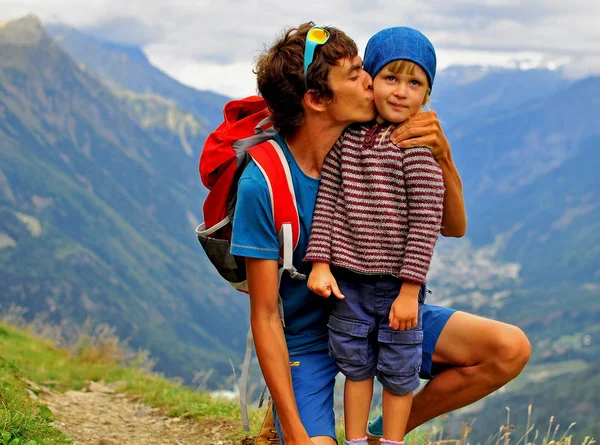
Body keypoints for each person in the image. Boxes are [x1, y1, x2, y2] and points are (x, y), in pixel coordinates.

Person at [229, 22, 530, 445]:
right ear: (316, 99)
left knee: (509, 348)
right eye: (356, 75)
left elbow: (454, 227)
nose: (372, 81)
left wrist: (443, 157)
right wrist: (296, 433)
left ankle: (383, 435)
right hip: (309, 337)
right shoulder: (265, 183)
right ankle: (290, 423)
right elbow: (264, 315)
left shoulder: (385, 142)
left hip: (381, 307)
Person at [303, 26, 444, 445]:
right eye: (390, 78)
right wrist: (321, 262)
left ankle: (393, 441)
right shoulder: (347, 141)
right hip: (349, 284)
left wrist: (408, 290)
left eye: (414, 82)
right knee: (355, 365)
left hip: (397, 287)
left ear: (427, 95)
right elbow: (327, 200)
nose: (401, 91)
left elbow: (426, 223)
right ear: (371, 81)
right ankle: (357, 440)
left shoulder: (417, 150)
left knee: (400, 372)